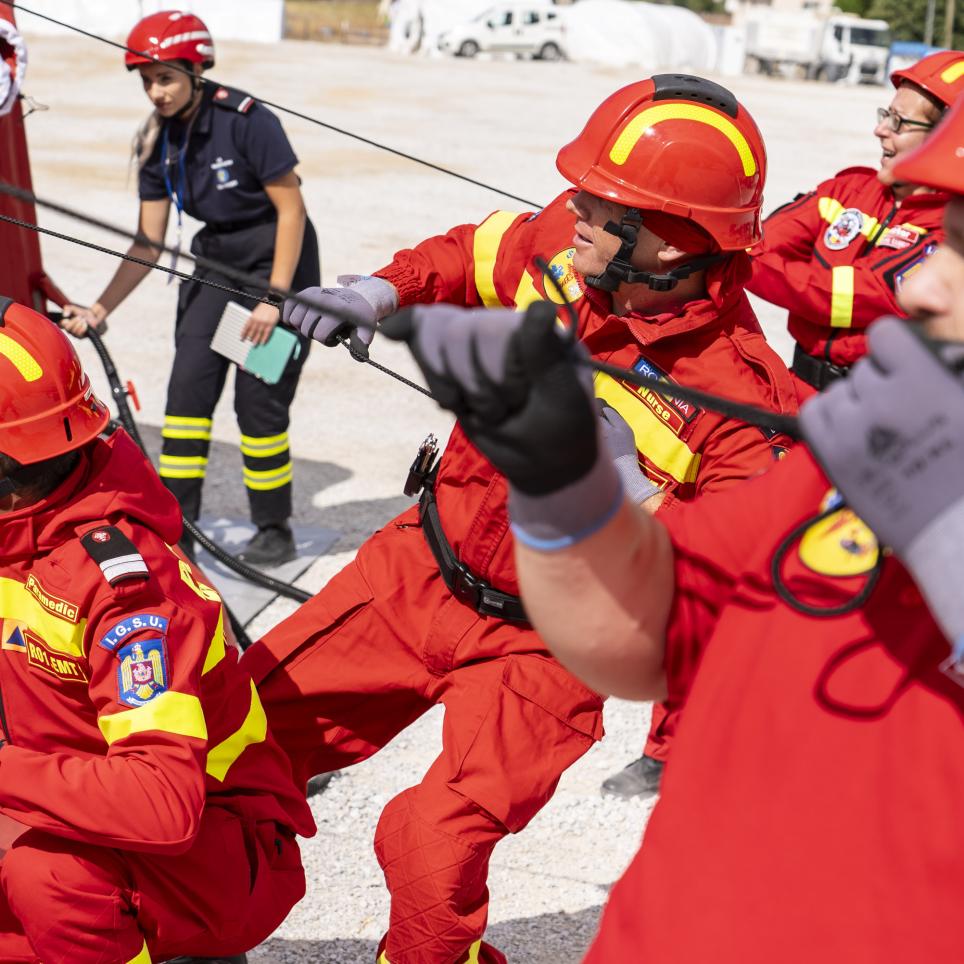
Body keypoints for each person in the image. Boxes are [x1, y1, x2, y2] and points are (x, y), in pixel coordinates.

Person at [379, 89, 964, 962]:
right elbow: (638, 631)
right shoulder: (882, 465)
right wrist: (564, 480)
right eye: (946, 238)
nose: (919, 285)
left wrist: (942, 539)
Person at [242, 75, 795, 964]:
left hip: (544, 649)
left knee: (427, 843)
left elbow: (715, 582)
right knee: (234, 732)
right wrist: (379, 292)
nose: (574, 209)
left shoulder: (739, 400)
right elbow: (468, 252)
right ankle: (203, 928)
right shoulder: (562, 249)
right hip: (420, 568)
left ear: (673, 244)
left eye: (604, 205)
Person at [0, 300, 314, 964]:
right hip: (73, 797)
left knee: (47, 879)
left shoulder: (128, 589)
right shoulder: (20, 531)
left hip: (215, 846)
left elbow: (159, 805)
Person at [61, 9, 318, 566]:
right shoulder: (158, 142)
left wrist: (275, 301)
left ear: (196, 71)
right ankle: (179, 529)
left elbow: (291, 210)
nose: (156, 92)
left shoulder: (246, 119)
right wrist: (100, 308)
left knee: (258, 405)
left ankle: (274, 527)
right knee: (187, 398)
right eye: (148, 80)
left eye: (166, 77)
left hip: (275, 265)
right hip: (217, 266)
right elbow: (148, 243)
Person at [748, 49, 964, 398]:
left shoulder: (949, 233)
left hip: (873, 410)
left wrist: (731, 259)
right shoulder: (849, 189)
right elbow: (761, 243)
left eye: (899, 121)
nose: (880, 130)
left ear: (946, 139)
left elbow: (840, 296)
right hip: (797, 389)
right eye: (885, 115)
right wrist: (744, 254)